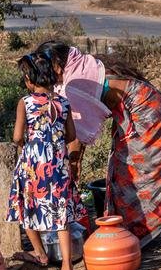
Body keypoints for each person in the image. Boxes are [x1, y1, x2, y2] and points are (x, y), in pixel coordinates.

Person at [7, 50, 81, 270]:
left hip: (33, 165)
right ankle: (67, 267)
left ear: (29, 80)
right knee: (61, 215)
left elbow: (17, 136)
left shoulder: (25, 103)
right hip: (58, 164)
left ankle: (40, 254)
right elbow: (71, 135)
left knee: (26, 208)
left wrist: (25, 141)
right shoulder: (64, 103)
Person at [96, 55, 161, 247]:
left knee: (148, 170)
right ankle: (134, 229)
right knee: (122, 168)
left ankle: (147, 230)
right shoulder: (83, 77)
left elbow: (87, 127)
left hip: (147, 111)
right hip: (136, 110)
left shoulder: (91, 79)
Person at [34, 41, 111, 184]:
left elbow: (76, 132)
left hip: (142, 108)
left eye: (46, 70)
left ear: (56, 66)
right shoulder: (79, 65)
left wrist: (73, 166)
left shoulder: (73, 86)